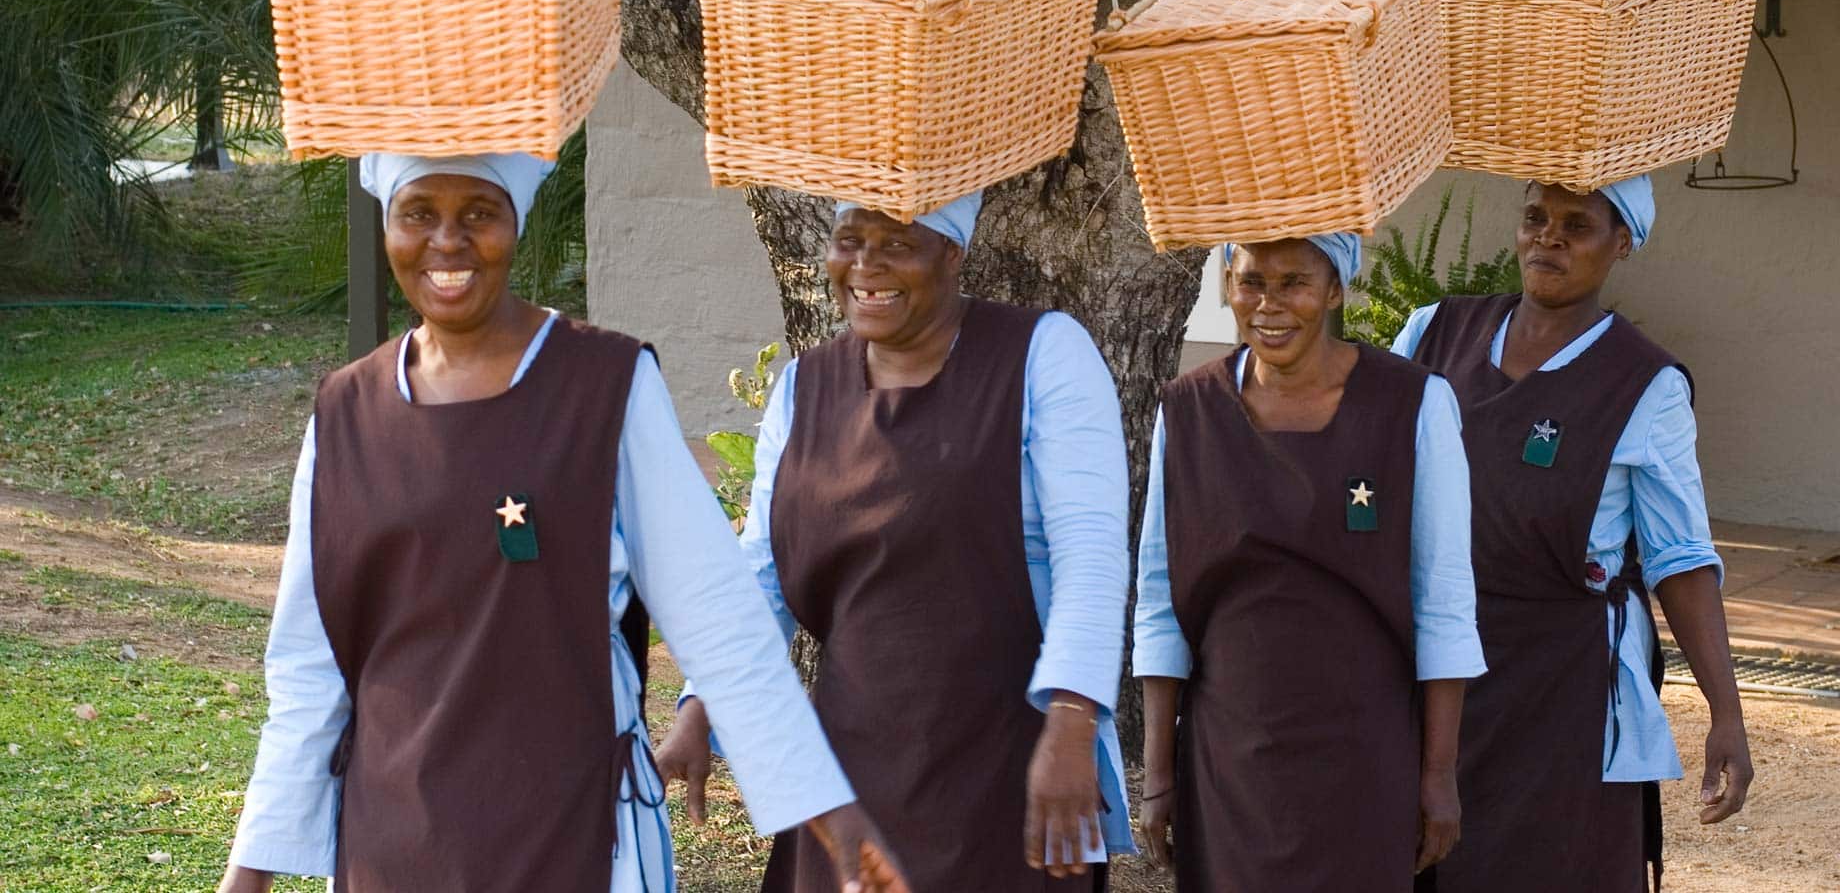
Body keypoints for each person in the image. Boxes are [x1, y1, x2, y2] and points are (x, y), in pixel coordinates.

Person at [215, 152, 908, 893]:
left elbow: (716, 614)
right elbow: (311, 666)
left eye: (478, 213)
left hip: (573, 834)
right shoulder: (346, 414)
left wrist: (824, 809)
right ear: (388, 226)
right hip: (395, 838)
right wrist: (249, 871)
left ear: (515, 222)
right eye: (419, 214)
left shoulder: (604, 387)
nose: (447, 242)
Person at [656, 192, 1134, 892]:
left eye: (898, 244)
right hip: (847, 767)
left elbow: (1090, 553)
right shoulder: (803, 388)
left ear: (953, 254)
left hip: (1009, 757)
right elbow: (762, 571)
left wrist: (1072, 724)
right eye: (851, 239)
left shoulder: (1042, 354)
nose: (866, 265)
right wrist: (702, 706)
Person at [1394, 176, 1753, 892]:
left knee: (1545, 863)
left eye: (1576, 226)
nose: (1547, 237)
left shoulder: (1646, 385)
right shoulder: (1433, 331)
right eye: (1534, 217)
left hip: (1559, 683)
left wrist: (1726, 712)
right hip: (1428, 656)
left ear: (1623, 243)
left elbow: (1678, 560)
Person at [1133, 233, 1485, 891]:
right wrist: (1158, 777)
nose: (1268, 304)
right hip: (1227, 756)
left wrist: (1437, 777)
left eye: (1293, 282)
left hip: (1365, 752)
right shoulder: (1187, 411)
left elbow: (1443, 602)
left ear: (1335, 289)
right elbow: (1159, 602)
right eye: (1250, 281)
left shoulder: (1413, 404)